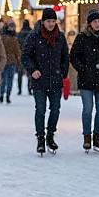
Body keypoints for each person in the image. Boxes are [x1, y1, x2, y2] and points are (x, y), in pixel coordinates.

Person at [22, 8, 69, 154]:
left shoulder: (60, 37)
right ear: (43, 22)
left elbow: (65, 57)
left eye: (53, 21)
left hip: (55, 79)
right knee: (40, 109)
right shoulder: (34, 36)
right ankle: (40, 138)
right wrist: (33, 70)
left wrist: (62, 72)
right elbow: (26, 56)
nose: (51, 24)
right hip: (39, 80)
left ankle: (50, 135)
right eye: (49, 21)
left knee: (55, 109)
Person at [70, 10, 99, 152]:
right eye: (94, 21)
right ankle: (87, 137)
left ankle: (97, 136)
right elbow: (74, 56)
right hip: (86, 80)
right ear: (89, 23)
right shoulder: (82, 37)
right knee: (88, 109)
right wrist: (82, 68)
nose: (97, 24)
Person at [0, 21, 21, 104]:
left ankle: (5, 95)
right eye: (11, 27)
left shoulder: (3, 37)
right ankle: (5, 95)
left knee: (6, 80)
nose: (12, 28)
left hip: (9, 61)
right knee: (7, 80)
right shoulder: (13, 38)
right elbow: (17, 51)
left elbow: (17, 51)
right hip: (8, 61)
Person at [17, 19, 32, 95]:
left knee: (20, 73)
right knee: (29, 73)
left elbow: (17, 44)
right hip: (29, 56)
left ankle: (19, 89)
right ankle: (29, 89)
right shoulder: (31, 32)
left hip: (21, 55)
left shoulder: (20, 33)